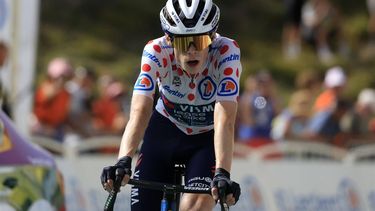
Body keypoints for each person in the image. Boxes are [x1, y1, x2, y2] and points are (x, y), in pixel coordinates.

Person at [101, 0, 241, 210]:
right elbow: (140, 111)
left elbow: (225, 119)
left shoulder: (227, 51)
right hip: (164, 130)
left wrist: (223, 173)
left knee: (198, 203)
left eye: (200, 41)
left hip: (205, 138)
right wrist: (123, 160)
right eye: (184, 43)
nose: (192, 51)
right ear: (169, 39)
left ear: (212, 37)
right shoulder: (156, 50)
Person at [31, 57, 73, 142]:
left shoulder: (65, 93)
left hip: (56, 130)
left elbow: (63, 116)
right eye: (59, 77)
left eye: (65, 77)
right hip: (41, 130)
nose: (61, 80)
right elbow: (39, 111)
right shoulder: (44, 89)